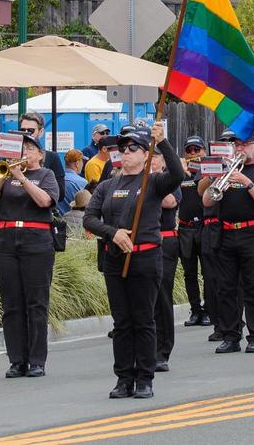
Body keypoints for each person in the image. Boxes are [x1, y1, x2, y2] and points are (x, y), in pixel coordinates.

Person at [85, 123, 184, 399]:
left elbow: (177, 174)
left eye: (132, 148)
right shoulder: (107, 186)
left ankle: (144, 377)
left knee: (143, 319)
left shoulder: (153, 181)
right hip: (115, 259)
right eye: (122, 149)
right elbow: (89, 218)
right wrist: (113, 233)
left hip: (146, 258)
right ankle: (123, 378)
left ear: (145, 154)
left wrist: (162, 141)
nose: (125, 153)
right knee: (122, 322)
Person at [0, 132, 59, 376]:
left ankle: (37, 360)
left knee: (36, 302)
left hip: (36, 241)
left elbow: (45, 201)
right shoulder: (6, 174)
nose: (25, 152)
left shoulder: (45, 175)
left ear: (40, 154)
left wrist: (22, 179)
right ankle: (16, 360)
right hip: (6, 240)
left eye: (30, 148)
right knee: (11, 303)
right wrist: (4, 174)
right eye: (22, 148)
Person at [200, 127, 254, 356]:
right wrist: (217, 177)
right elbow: (207, 201)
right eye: (237, 145)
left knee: (252, 288)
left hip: (253, 233)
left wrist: (246, 182)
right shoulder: (225, 170)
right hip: (227, 232)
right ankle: (231, 336)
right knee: (226, 288)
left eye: (245, 144)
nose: (240, 149)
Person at [176, 135, 213, 329]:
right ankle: (195, 310)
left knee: (208, 271)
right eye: (189, 150)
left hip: (204, 226)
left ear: (204, 152)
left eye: (196, 150)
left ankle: (208, 310)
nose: (192, 154)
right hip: (185, 227)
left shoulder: (207, 173)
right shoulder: (178, 173)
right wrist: (180, 170)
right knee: (189, 273)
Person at [150, 149, 181, 372]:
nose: (151, 160)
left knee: (162, 296)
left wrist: (148, 183)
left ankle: (162, 350)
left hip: (164, 240)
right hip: (138, 240)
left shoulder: (167, 180)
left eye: (155, 157)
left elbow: (170, 202)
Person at [18, 113, 66, 201]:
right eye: (22, 130)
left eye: (30, 130)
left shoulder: (51, 157)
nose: (26, 133)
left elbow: (61, 194)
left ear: (41, 132)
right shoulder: (12, 156)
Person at [62, 149, 88, 214]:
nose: (83, 164)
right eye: (82, 161)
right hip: (76, 220)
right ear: (77, 164)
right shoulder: (82, 182)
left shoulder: (56, 179)